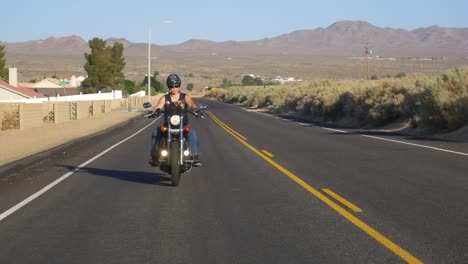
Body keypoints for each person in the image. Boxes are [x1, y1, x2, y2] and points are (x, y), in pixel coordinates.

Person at [149, 73, 203, 167]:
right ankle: (154, 157)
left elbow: (191, 104)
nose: (174, 88)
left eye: (176, 86)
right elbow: (158, 106)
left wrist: (196, 109)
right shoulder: (164, 98)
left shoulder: (185, 97)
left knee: (192, 132)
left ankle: (195, 156)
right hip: (168, 124)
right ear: (168, 87)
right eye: (171, 86)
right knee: (155, 132)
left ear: (179, 86)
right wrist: (156, 110)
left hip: (183, 123)